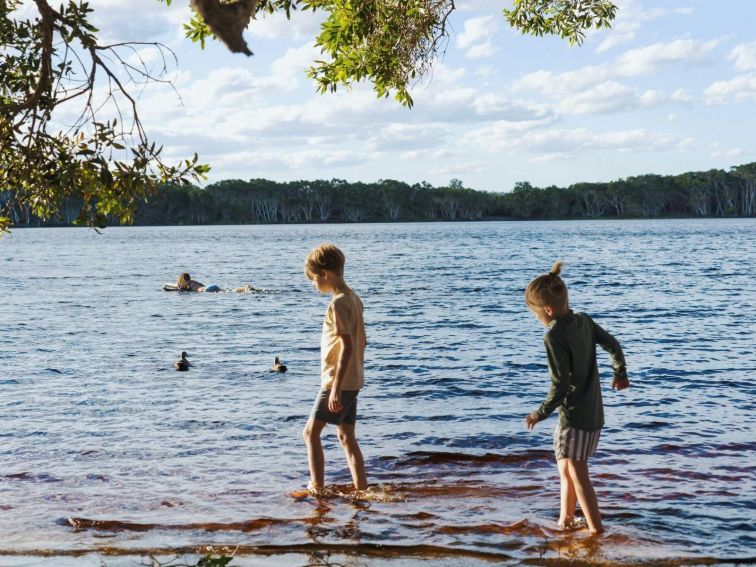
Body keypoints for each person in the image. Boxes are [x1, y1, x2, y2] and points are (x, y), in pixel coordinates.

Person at [523, 261, 629, 534]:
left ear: (547, 310)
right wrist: (620, 374)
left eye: (536, 315)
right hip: (594, 414)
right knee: (566, 467)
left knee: (578, 471)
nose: (538, 320)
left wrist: (540, 413)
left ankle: (596, 530)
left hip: (573, 416)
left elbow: (560, 385)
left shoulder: (554, 336)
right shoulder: (584, 321)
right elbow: (613, 345)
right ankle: (566, 520)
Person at [302, 244, 368, 494]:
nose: (313, 285)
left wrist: (335, 389)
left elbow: (348, 346)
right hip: (354, 380)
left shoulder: (338, 304)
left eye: (314, 279)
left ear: (325, 274)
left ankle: (316, 488)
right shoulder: (354, 298)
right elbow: (364, 341)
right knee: (346, 436)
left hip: (337, 383)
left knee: (310, 433)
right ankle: (362, 490)